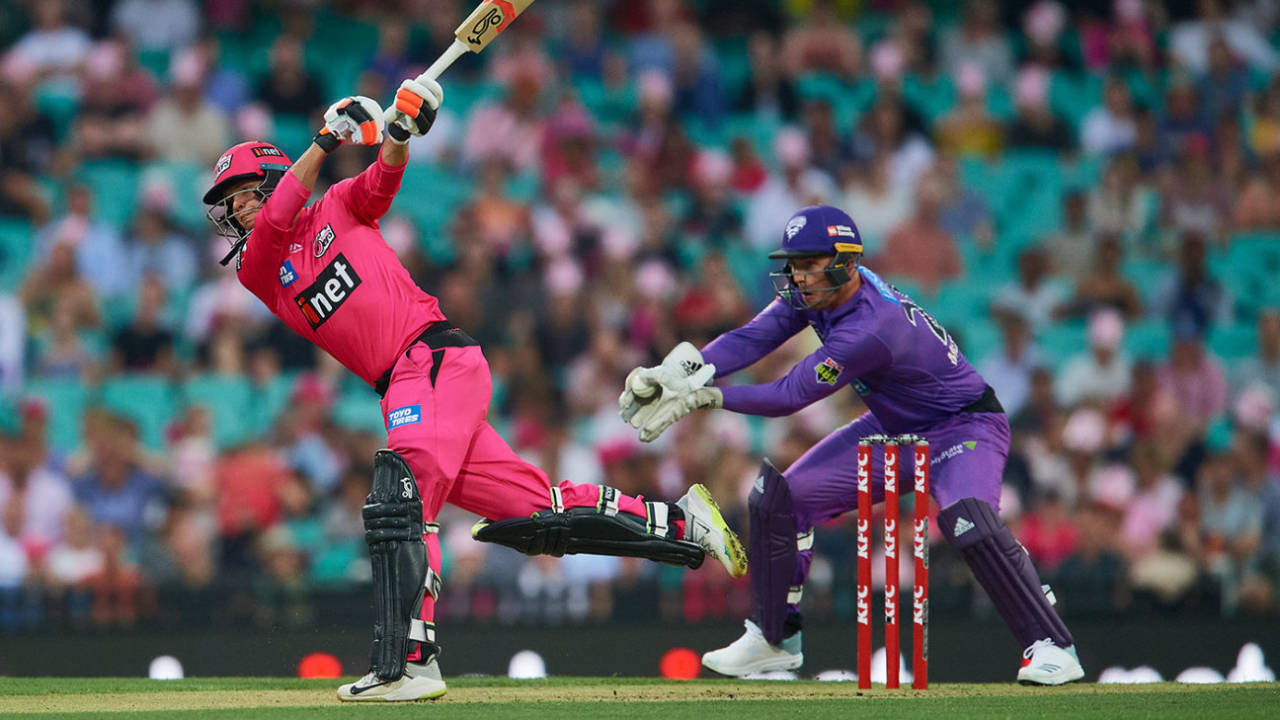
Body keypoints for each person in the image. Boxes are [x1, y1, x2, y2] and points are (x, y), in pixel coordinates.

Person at [201, 80, 745, 702]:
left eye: (244, 196)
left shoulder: (336, 206)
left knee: (403, 496)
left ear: (270, 184)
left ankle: (411, 661)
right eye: (230, 205)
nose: (237, 213)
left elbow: (382, 180)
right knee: (537, 511)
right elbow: (275, 221)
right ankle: (688, 525)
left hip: (431, 358)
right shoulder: (258, 268)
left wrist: (400, 134)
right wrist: (327, 140)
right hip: (406, 380)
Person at [619, 205, 1084, 685]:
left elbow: (789, 396)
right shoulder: (821, 292)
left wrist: (705, 398)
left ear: (844, 262)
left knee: (968, 522)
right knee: (780, 499)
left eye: (809, 263)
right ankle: (773, 640)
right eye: (794, 264)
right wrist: (681, 371)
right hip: (892, 423)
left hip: (962, 426)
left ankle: (1053, 645)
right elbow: (752, 337)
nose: (798, 276)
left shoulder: (871, 328)